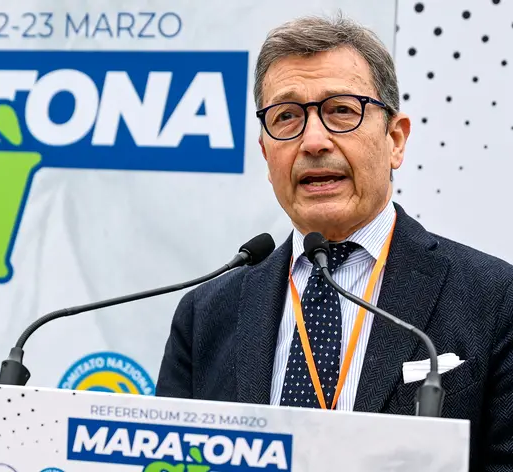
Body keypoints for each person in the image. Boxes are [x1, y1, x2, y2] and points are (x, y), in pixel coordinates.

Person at [155, 13, 513, 471]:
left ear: (395, 140)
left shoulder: (494, 298)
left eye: (341, 110)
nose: (313, 141)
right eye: (287, 117)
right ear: (266, 154)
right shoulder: (206, 315)